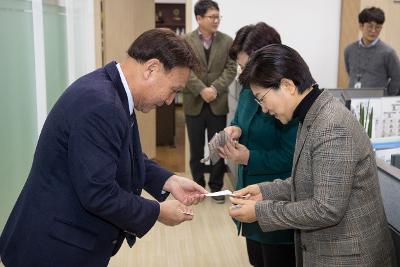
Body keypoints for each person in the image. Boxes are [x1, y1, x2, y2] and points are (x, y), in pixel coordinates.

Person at [0, 29, 208, 267]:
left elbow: (118, 152)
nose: (170, 101)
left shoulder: (112, 89)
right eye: (173, 90)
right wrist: (158, 212)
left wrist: (169, 180)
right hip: (53, 249)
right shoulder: (102, 104)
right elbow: (98, 193)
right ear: (151, 69)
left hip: (65, 239)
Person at [230, 44, 395, 266]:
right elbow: (309, 181)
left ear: (287, 85)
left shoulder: (331, 126)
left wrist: (261, 211)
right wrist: (264, 191)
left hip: (349, 256)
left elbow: (326, 209)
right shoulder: (311, 113)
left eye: (262, 98)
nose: (263, 109)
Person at [219, 22, 297, 267]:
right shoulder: (248, 87)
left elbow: (292, 157)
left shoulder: (288, 97)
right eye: (241, 66)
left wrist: (248, 157)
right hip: (248, 193)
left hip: (277, 199)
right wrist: (235, 129)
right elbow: (240, 119)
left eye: (246, 65)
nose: (244, 73)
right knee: (257, 260)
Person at [183, 0, 237, 203]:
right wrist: (201, 89)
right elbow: (183, 69)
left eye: (218, 17)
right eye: (212, 17)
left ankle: (216, 187)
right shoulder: (186, 41)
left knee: (217, 148)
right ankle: (197, 187)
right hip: (194, 102)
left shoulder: (227, 41)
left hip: (217, 103)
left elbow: (231, 68)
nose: (216, 21)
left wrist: (214, 88)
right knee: (196, 148)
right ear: (198, 18)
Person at [344, 6, 400, 96]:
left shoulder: (388, 52)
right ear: (361, 26)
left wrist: (386, 97)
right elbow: (350, 72)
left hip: (377, 103)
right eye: (370, 26)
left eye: (378, 27)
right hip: (352, 99)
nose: (373, 31)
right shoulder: (349, 50)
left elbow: (397, 78)